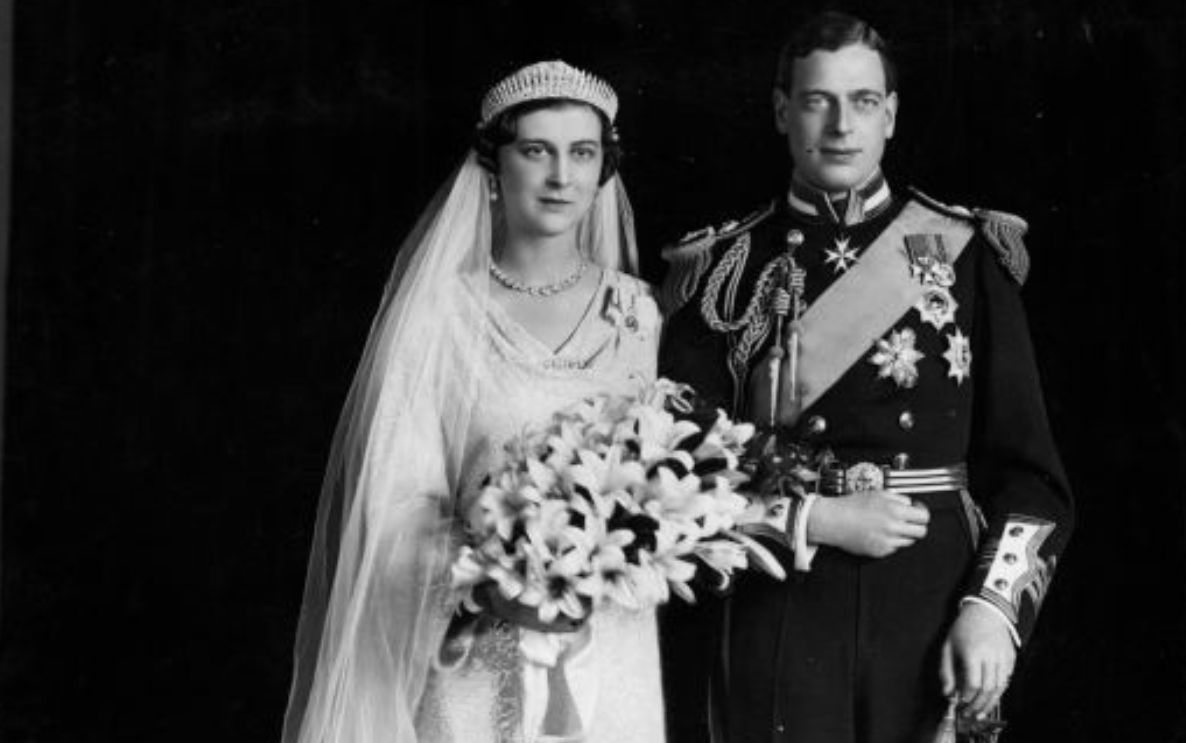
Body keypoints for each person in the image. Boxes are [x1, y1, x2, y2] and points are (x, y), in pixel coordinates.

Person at [659, 11, 1074, 743]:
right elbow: (678, 469)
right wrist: (805, 519)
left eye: (863, 101)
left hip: (933, 601)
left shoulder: (966, 255)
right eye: (818, 100)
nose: (841, 124)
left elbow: (1031, 477)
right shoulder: (722, 269)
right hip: (779, 598)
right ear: (782, 111)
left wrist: (992, 610)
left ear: (890, 115)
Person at [281, 60, 665, 743]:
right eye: (535, 151)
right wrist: (498, 582)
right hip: (476, 653)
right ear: (494, 165)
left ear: (604, 169)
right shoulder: (440, 316)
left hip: (612, 649)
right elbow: (397, 502)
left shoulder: (638, 313)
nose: (560, 176)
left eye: (581, 153)